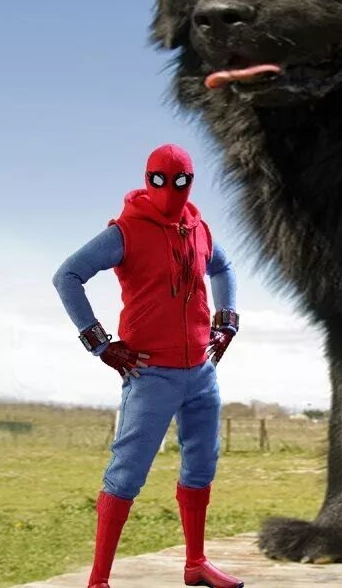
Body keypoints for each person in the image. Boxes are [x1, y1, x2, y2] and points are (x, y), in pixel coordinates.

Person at [53, 143, 244, 588]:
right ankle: (98, 581)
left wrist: (227, 319)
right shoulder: (125, 232)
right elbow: (68, 275)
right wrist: (99, 342)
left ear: (191, 183)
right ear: (147, 179)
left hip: (201, 371)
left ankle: (195, 563)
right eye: (160, 180)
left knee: (201, 466)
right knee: (127, 473)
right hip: (149, 372)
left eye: (181, 182)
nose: (171, 190)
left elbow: (224, 266)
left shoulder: (199, 229)